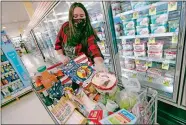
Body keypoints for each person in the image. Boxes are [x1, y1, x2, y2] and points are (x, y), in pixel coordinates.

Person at [55, 2, 107, 90]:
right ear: (71, 17)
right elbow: (58, 44)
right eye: (75, 16)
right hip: (69, 69)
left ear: (86, 16)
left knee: (88, 90)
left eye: (81, 16)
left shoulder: (88, 32)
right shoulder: (65, 28)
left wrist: (99, 63)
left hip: (84, 71)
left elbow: (94, 49)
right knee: (73, 90)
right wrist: (61, 56)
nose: (79, 19)